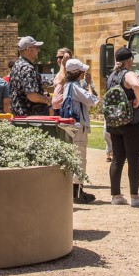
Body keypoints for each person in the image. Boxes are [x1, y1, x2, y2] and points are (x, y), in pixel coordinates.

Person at [104, 46, 139, 206]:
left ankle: (116, 195)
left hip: (115, 122)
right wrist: (137, 99)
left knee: (117, 159)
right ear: (129, 60)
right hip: (132, 122)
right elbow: (138, 86)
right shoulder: (128, 74)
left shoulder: (112, 76)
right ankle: (135, 197)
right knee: (134, 160)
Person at [57, 59, 98, 204]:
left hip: (71, 125)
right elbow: (92, 100)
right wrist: (89, 84)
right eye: (82, 71)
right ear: (77, 73)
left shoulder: (67, 85)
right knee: (80, 159)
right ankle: (77, 193)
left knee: (75, 158)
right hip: (78, 126)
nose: (84, 73)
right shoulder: (75, 87)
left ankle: (75, 191)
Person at [6, 37, 51, 116]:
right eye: (36, 48)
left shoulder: (16, 66)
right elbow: (32, 95)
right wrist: (47, 100)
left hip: (19, 115)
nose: (38, 50)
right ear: (28, 49)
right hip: (30, 116)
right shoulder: (27, 68)